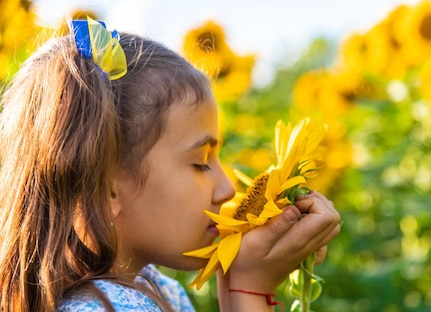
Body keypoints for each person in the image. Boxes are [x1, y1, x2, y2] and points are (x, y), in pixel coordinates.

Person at [0, 19, 341, 311]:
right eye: (200, 163)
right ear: (106, 190)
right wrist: (249, 291)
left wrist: (237, 271)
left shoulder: (156, 289)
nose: (227, 190)